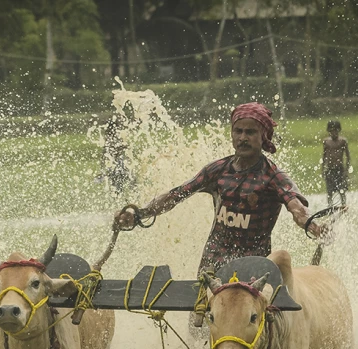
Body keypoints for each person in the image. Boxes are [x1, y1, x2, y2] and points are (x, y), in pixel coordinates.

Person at [113, 102, 324, 276]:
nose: (243, 138)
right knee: (200, 321)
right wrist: (140, 215)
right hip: (212, 262)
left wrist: (313, 226)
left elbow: (297, 209)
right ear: (232, 134)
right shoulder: (217, 171)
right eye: (238, 131)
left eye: (250, 132)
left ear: (264, 137)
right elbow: (176, 195)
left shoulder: (274, 177)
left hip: (253, 265)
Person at [97, 113, 132, 194]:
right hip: (119, 166)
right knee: (126, 183)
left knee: (117, 186)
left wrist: (102, 170)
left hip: (116, 167)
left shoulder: (108, 140)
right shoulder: (116, 138)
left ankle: (119, 195)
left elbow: (104, 156)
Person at [322, 120, 351, 207]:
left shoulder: (343, 141)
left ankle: (343, 204)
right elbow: (324, 157)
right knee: (329, 191)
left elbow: (347, 156)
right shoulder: (326, 142)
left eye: (335, 130)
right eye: (331, 131)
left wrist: (346, 170)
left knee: (341, 189)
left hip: (339, 168)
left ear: (339, 130)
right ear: (328, 131)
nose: (333, 133)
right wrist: (323, 169)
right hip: (330, 169)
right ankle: (330, 206)